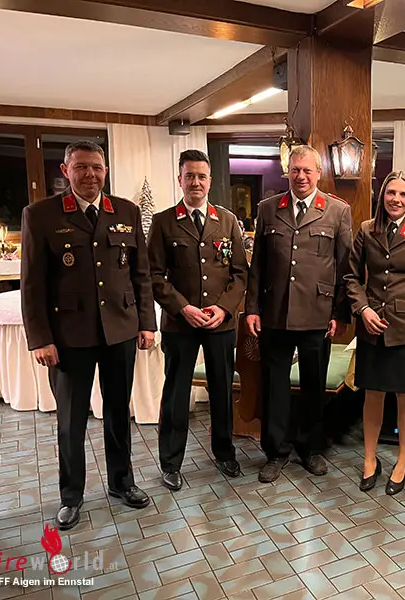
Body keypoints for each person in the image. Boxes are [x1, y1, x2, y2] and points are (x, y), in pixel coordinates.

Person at [21, 141, 156, 530]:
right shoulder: (41, 215)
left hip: (119, 331)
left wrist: (146, 323)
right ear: (66, 171)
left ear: (105, 171)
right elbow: (32, 284)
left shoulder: (126, 212)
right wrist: (40, 338)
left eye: (96, 167)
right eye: (81, 167)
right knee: (71, 420)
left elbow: (140, 274)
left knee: (118, 412)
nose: (90, 174)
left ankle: (122, 483)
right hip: (68, 337)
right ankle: (71, 496)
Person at [246, 145, 353, 483]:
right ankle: (275, 452)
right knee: (274, 386)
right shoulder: (268, 209)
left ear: (318, 173)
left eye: (307, 170)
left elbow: (345, 267)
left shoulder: (337, 211)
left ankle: (311, 448)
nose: (301, 176)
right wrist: (252, 308)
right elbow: (258, 265)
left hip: (317, 314)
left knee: (313, 386)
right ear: (287, 173)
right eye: (295, 170)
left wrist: (340, 312)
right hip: (275, 313)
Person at [147, 150, 248, 491]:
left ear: (210, 181)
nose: (195, 182)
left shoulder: (227, 221)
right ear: (180, 179)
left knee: (222, 389)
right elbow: (154, 275)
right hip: (181, 324)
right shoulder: (163, 222)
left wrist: (224, 308)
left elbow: (240, 273)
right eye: (189, 175)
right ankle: (171, 462)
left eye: (201, 176)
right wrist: (182, 308)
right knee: (176, 393)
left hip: (221, 323)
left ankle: (224, 452)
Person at [345, 171, 405, 495]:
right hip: (372, 327)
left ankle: (402, 461)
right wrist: (363, 309)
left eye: (403, 194)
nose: (396, 200)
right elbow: (351, 277)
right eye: (391, 193)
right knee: (372, 394)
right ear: (382, 195)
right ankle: (369, 459)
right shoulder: (366, 230)